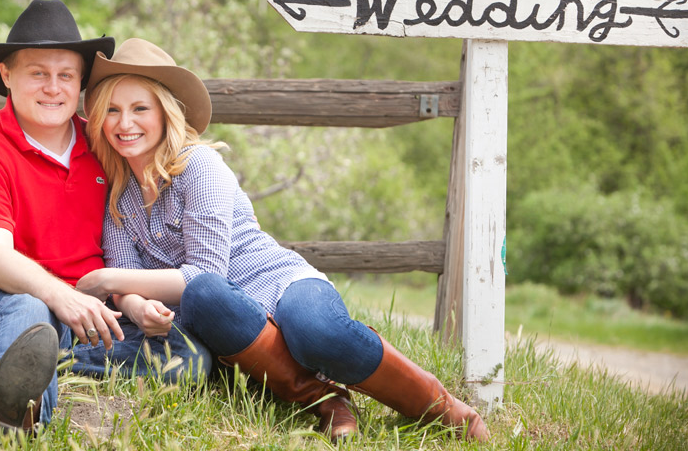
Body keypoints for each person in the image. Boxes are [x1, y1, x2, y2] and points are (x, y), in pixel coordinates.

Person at [75, 38, 490, 443]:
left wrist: (108, 280)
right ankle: (323, 398)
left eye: (139, 108)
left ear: (165, 113)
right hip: (221, 316)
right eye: (112, 110)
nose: (124, 123)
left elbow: (199, 271)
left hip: (279, 282)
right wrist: (136, 304)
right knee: (205, 297)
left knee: (314, 330)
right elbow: (137, 282)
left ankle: (443, 407)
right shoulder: (117, 194)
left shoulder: (199, 166)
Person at [0, 1, 209, 442]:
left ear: (80, 83)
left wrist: (131, 302)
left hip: (96, 307)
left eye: (66, 75)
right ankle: (11, 426)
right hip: (8, 296)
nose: (53, 88)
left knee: (190, 358)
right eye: (37, 73)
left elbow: (130, 238)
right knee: (32, 313)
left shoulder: (105, 144)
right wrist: (60, 297)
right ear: (7, 75)